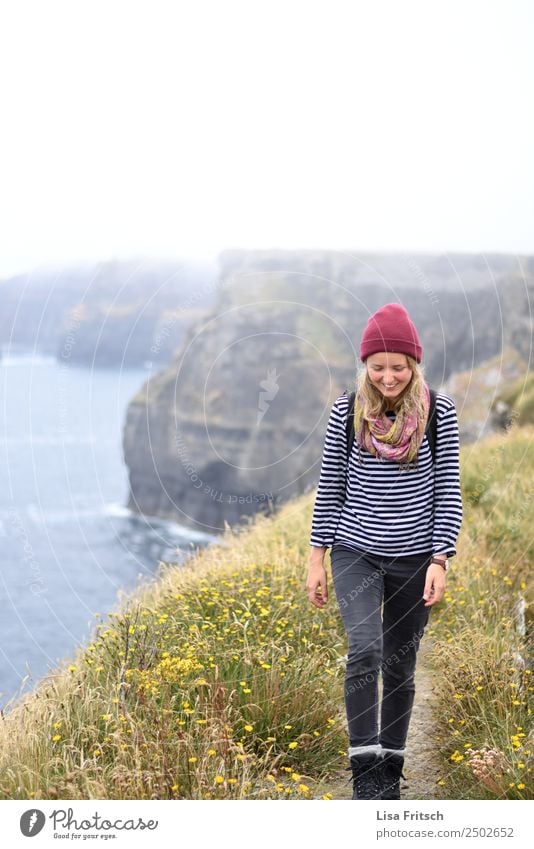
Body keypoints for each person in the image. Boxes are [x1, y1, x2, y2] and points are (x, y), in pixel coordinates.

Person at [306, 303, 462, 800]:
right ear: (364, 366)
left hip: (416, 557)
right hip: (355, 552)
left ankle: (388, 775)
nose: (388, 377)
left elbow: (448, 490)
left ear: (413, 365)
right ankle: (363, 774)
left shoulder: (439, 412)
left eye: (399, 367)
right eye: (378, 367)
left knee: (399, 663)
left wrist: (440, 559)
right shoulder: (345, 411)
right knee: (366, 650)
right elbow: (330, 485)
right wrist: (317, 557)